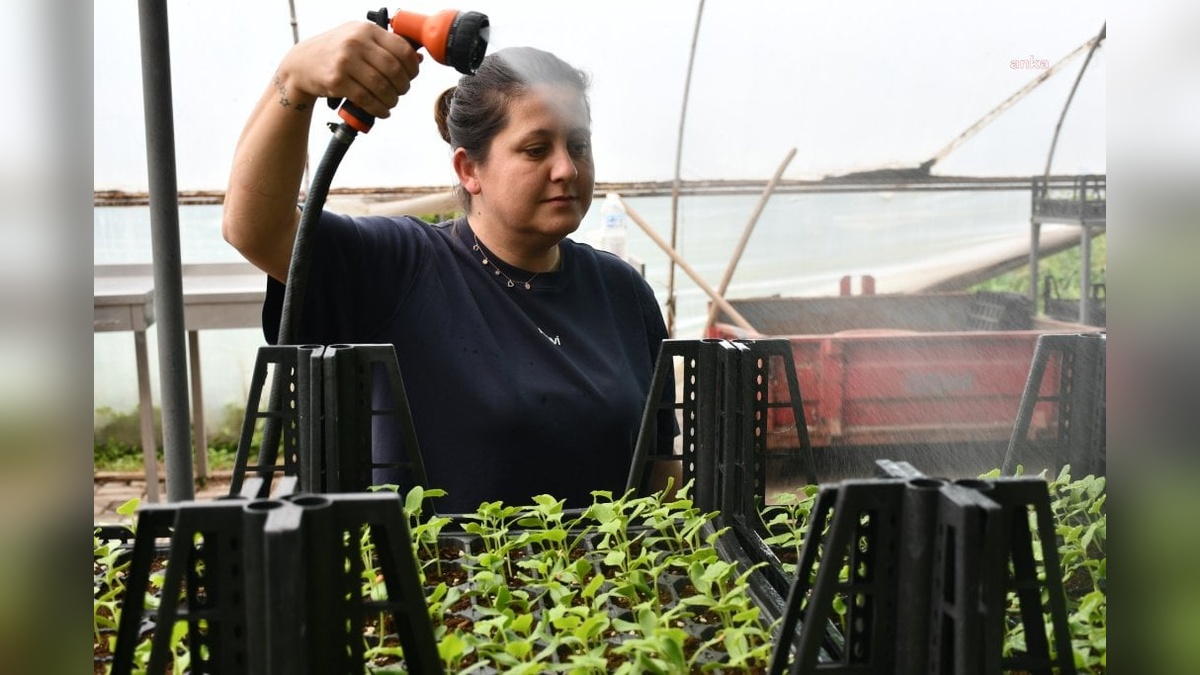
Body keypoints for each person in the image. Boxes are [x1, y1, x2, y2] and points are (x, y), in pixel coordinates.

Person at [223, 22, 676, 513]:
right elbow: (256, 228)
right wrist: (294, 81)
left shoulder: (622, 291)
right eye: (536, 149)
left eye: (578, 146)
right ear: (468, 169)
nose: (566, 168)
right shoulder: (404, 267)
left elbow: (657, 468)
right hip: (443, 582)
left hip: (603, 583)